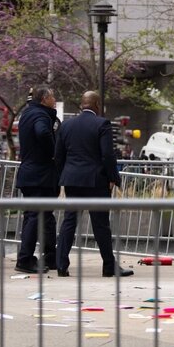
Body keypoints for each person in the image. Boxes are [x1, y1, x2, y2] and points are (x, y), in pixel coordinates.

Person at [54, 91, 133, 278]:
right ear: (97, 105)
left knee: (69, 221)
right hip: (96, 181)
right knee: (101, 225)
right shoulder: (102, 124)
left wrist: (63, 176)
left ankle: (61, 264)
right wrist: (114, 178)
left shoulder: (66, 125)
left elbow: (59, 155)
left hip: (72, 180)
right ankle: (108, 266)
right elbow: (107, 155)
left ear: (82, 104)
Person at [13, 85, 60, 274]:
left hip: (31, 173)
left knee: (41, 216)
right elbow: (42, 133)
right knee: (35, 216)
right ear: (44, 99)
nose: (54, 100)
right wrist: (54, 152)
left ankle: (49, 257)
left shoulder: (28, 113)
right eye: (52, 97)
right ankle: (25, 259)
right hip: (40, 174)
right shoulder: (41, 115)